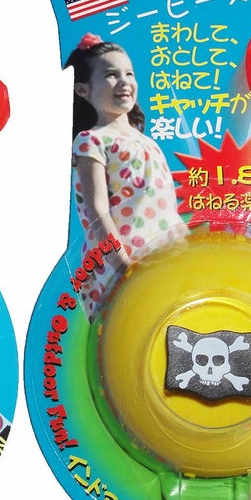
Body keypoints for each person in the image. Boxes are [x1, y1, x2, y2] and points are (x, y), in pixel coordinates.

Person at [69, 32, 187, 320]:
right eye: (111, 75)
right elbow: (97, 210)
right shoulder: (92, 141)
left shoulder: (149, 143)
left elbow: (168, 209)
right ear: (83, 90)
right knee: (126, 326)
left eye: (129, 74)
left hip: (165, 256)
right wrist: (122, 264)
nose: (124, 81)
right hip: (121, 261)